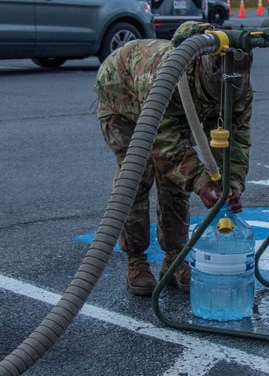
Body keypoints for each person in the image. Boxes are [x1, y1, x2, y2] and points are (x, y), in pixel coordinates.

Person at [95, 22, 252, 296]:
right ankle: (136, 260)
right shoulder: (169, 74)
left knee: (175, 184)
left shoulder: (237, 81)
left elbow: (236, 135)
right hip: (123, 101)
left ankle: (174, 258)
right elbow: (163, 140)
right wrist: (200, 180)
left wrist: (232, 180)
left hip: (177, 109)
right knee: (137, 175)